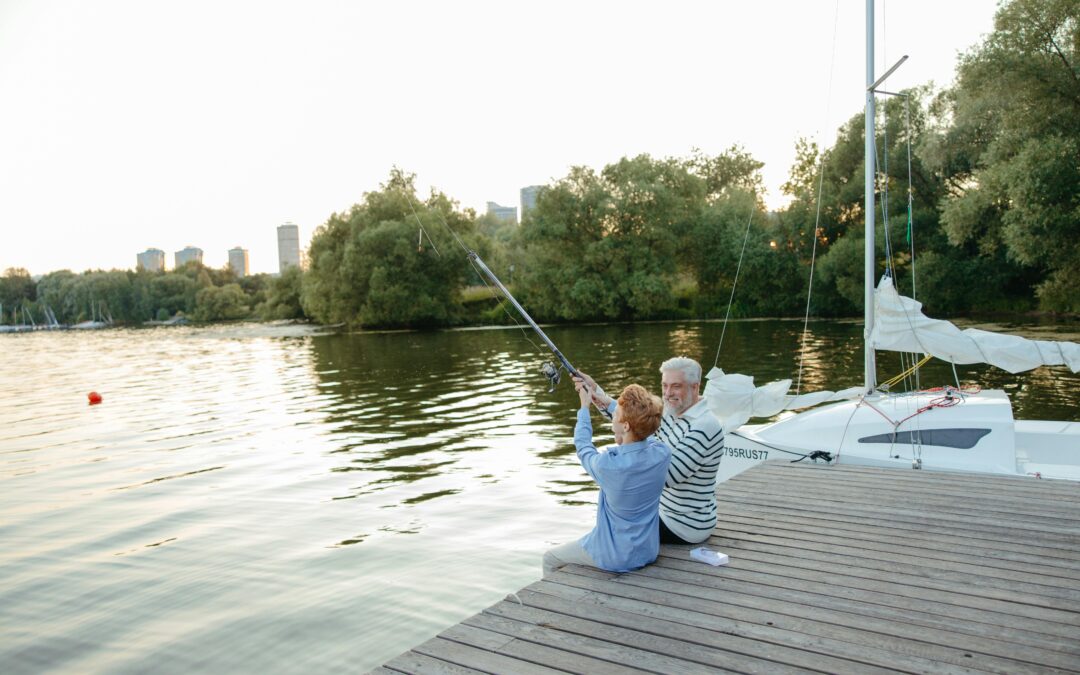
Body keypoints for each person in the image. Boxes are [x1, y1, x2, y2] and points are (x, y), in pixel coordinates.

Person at [578, 356, 724, 545]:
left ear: (695, 387)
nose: (668, 393)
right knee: (611, 519)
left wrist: (615, 463)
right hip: (660, 511)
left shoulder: (705, 426)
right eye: (664, 386)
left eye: (676, 386)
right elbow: (636, 424)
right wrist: (596, 392)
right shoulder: (673, 410)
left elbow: (664, 477)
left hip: (684, 524)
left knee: (612, 525)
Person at [542, 381, 670, 578]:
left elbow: (583, 446)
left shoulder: (608, 465)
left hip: (614, 556)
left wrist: (584, 407)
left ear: (625, 425)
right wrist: (604, 402)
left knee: (550, 558)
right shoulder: (662, 454)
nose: (613, 419)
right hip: (647, 551)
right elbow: (643, 432)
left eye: (616, 416)